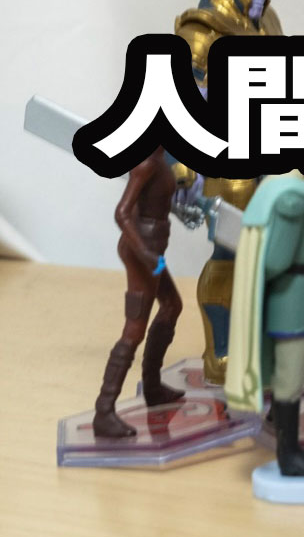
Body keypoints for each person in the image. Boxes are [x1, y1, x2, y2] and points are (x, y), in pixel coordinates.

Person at [173, 0, 284, 385]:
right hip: (223, 158)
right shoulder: (202, 31)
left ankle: (255, 345)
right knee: (231, 251)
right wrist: (183, 163)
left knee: (267, 252)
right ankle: (220, 351)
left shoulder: (266, 21)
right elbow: (179, 99)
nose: (259, 1)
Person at [225, 172, 304, 476]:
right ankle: (288, 454)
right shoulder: (291, 197)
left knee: (291, 378)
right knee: (290, 380)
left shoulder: (281, 189)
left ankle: (291, 449)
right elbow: (275, 260)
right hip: (291, 301)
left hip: (294, 295)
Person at [92, 147, 186, 437]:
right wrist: (145, 254)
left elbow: (153, 201)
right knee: (134, 329)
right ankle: (104, 410)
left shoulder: (158, 159)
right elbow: (122, 213)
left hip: (153, 249)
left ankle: (153, 388)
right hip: (144, 252)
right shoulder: (145, 162)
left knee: (171, 304)